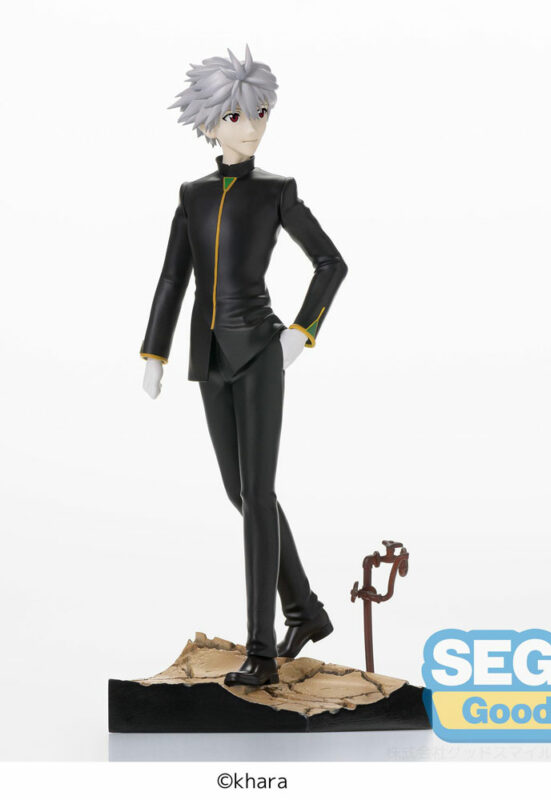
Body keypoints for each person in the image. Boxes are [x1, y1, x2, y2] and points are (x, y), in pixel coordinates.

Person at [139, 45, 348, 686]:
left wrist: (301, 333)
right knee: (241, 493)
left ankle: (261, 652)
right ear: (209, 124)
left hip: (259, 352)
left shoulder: (277, 191)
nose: (252, 126)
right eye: (236, 116)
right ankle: (306, 611)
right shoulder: (192, 195)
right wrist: (155, 353)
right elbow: (173, 278)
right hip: (209, 358)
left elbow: (331, 263)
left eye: (260, 113)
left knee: (258, 496)